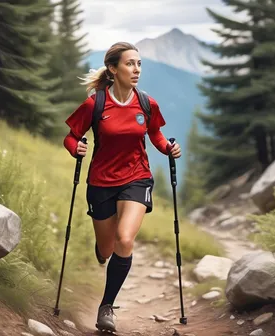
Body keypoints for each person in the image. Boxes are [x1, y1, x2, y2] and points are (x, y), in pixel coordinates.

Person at [63, 41, 181, 333]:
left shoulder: (146, 103)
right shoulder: (96, 104)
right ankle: (103, 250)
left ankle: (106, 307)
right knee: (107, 247)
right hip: (101, 182)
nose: (136, 69)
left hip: (137, 177)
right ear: (113, 69)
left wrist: (168, 148)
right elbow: (71, 136)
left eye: (139, 64)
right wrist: (74, 148)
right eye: (130, 64)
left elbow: (154, 133)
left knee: (124, 239)